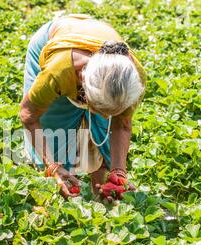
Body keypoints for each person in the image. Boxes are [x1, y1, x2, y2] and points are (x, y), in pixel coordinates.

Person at [19, 14, 146, 201]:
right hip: (56, 42)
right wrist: (52, 166)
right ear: (83, 86)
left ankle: (101, 195)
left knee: (102, 134)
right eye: (98, 107)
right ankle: (62, 190)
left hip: (96, 45)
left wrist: (118, 172)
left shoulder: (132, 80)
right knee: (55, 134)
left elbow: (122, 125)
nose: (104, 115)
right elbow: (28, 115)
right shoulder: (59, 72)